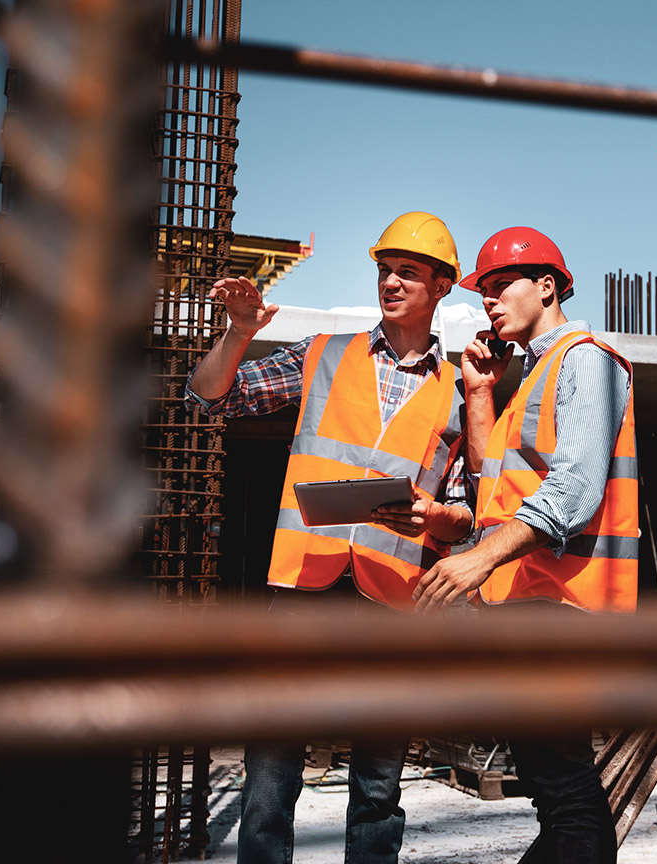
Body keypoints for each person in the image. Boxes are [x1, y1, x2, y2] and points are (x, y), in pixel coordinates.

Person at [186, 211, 476, 864]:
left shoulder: (460, 392)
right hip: (303, 586)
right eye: (384, 270)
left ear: (442, 287)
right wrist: (238, 336)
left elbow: (470, 513)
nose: (392, 282)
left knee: (377, 787)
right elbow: (208, 400)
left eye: (408, 272)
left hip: (393, 603)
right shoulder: (324, 353)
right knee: (269, 778)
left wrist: (434, 517)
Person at [414, 226, 637, 864]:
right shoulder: (533, 374)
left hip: (568, 606)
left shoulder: (585, 359)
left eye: (500, 285)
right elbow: (494, 486)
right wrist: (480, 394)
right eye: (482, 290)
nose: (487, 300)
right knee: (549, 783)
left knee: (564, 786)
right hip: (533, 604)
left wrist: (479, 558)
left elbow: (577, 489)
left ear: (546, 286)